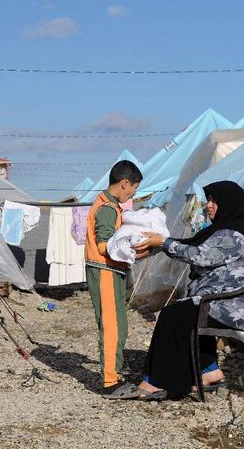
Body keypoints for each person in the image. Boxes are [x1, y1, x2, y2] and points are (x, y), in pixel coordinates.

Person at [131, 180, 244, 400]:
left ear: (229, 203)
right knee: (188, 308)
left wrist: (163, 242)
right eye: (209, 200)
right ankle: (209, 370)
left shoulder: (232, 235)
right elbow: (197, 246)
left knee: (173, 316)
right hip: (233, 303)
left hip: (233, 307)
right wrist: (159, 246)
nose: (209, 205)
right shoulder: (234, 229)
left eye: (214, 200)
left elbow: (198, 255)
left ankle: (158, 381)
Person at [85, 160, 145, 398]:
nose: (133, 193)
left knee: (119, 324)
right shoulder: (108, 209)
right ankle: (110, 382)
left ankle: (115, 374)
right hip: (105, 271)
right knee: (111, 326)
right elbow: (104, 245)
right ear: (125, 183)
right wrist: (133, 247)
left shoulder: (109, 205)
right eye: (134, 188)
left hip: (111, 271)